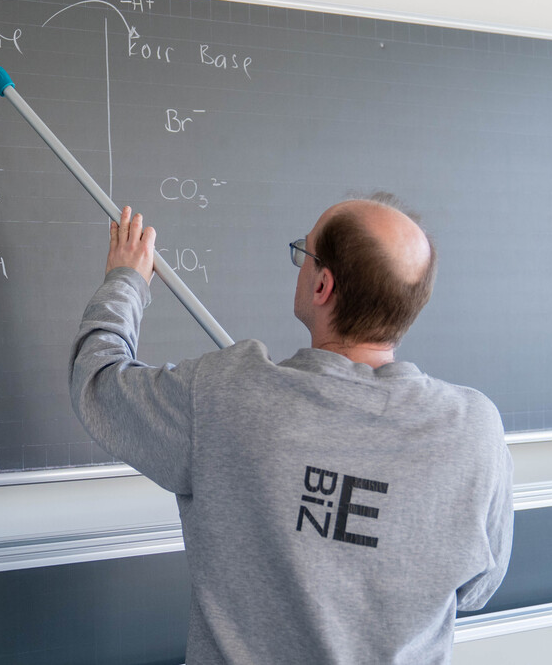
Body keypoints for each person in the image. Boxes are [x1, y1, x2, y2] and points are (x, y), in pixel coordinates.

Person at [69, 195, 513, 664]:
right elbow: (476, 589)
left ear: (323, 285)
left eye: (306, 251)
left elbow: (97, 382)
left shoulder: (227, 394)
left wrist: (127, 280)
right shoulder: (476, 430)